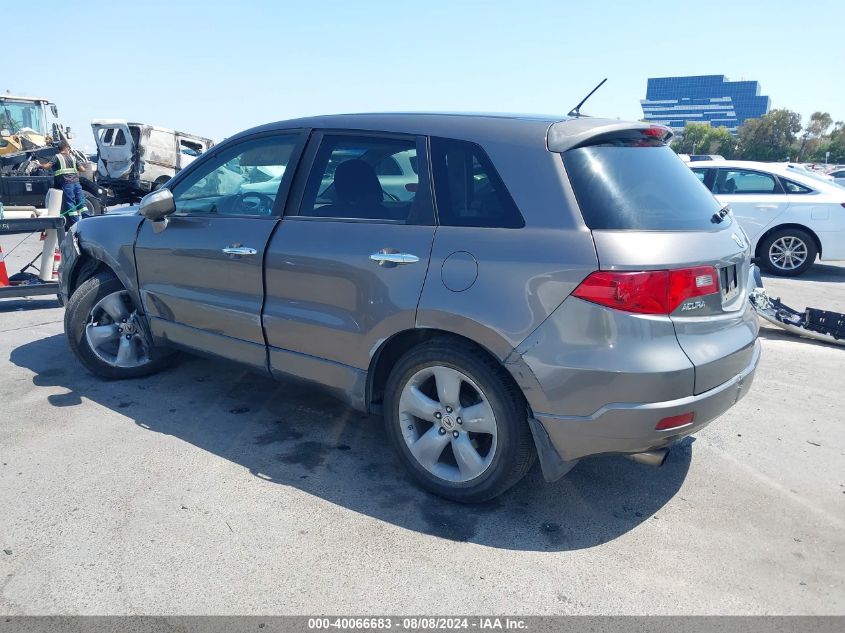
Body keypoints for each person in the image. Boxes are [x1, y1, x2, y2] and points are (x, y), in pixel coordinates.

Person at [37, 142, 88, 227]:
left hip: (67, 183)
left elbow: (46, 166)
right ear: (66, 148)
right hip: (76, 183)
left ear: (59, 149)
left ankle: (76, 224)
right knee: (81, 202)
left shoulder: (57, 157)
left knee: (70, 203)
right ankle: (87, 219)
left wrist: (39, 164)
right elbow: (82, 169)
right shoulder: (73, 157)